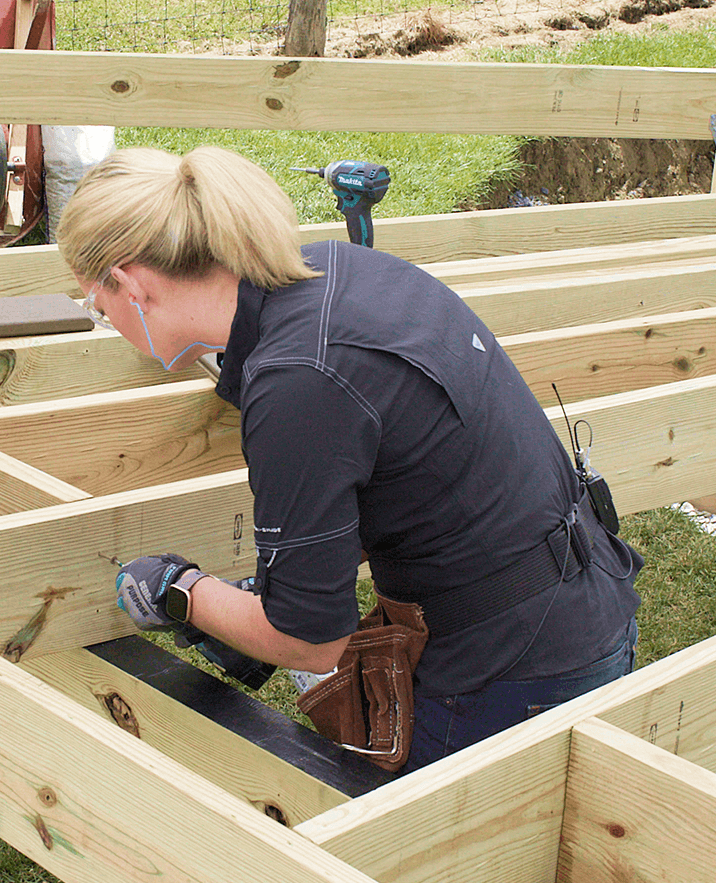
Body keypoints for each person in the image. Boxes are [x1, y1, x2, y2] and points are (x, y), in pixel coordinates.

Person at [57, 146, 643, 773]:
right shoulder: (339, 271)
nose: (104, 318)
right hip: (585, 604)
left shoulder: (298, 381)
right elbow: (405, 470)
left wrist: (184, 593)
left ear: (129, 283)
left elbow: (310, 643)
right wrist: (285, 584)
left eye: (97, 303)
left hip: (512, 674)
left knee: (429, 869)